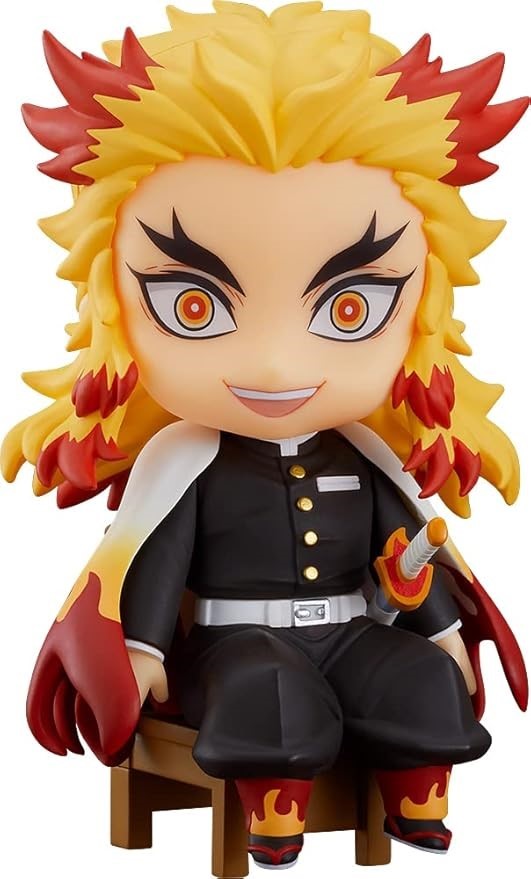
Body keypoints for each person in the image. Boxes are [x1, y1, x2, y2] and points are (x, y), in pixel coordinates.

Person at [1, 2, 528, 870]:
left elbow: (412, 552)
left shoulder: (366, 455)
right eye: (193, 305)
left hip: (353, 628)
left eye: (350, 308)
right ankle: (274, 810)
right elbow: (154, 559)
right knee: (266, 691)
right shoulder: (186, 465)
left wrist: (433, 623)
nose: (278, 362)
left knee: (418, 678)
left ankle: (419, 794)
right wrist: (142, 649)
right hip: (235, 640)